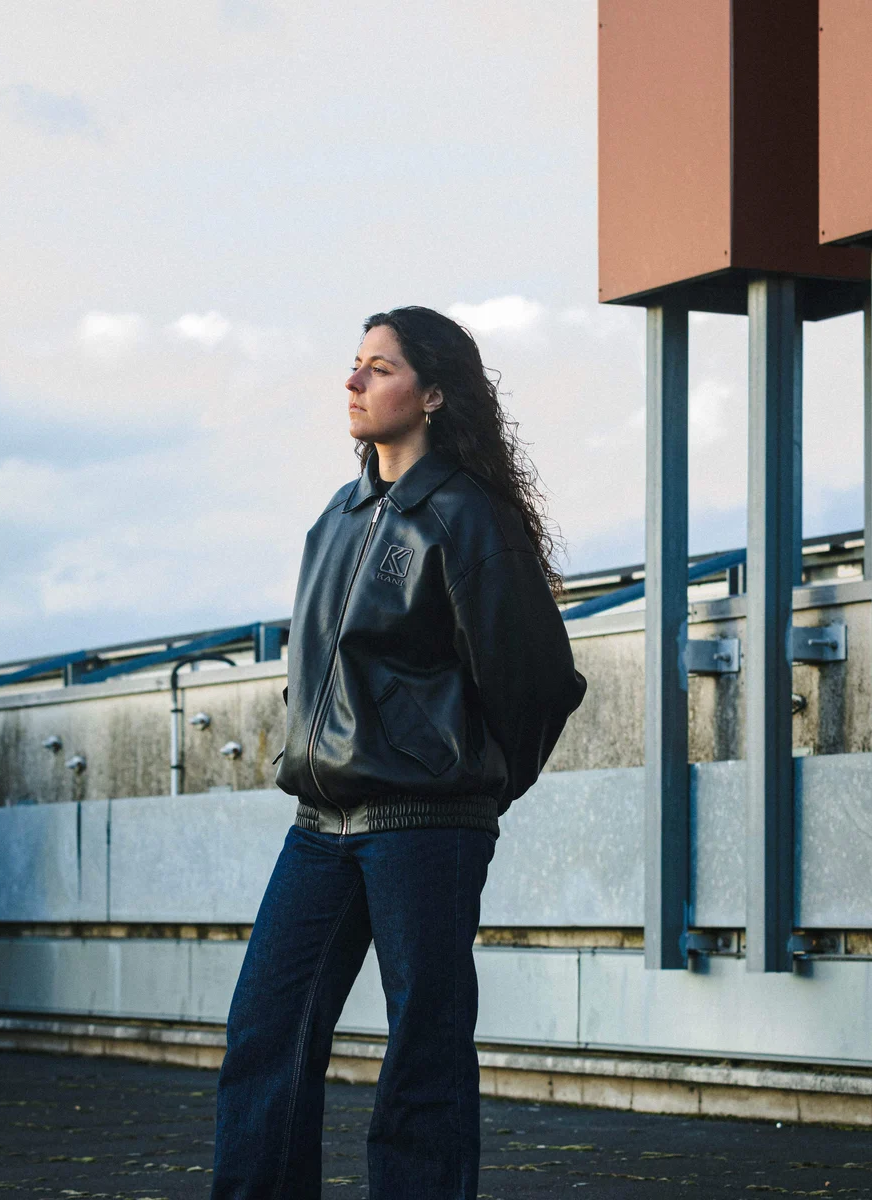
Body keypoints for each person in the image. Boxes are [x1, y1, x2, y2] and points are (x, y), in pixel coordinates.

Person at [210, 305, 586, 1199]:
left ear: (434, 394)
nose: (353, 381)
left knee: (423, 1048)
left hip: (424, 823)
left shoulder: (467, 518)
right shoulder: (337, 518)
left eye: (379, 368)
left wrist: (470, 787)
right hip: (319, 824)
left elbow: (538, 681)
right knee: (264, 1034)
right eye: (355, 363)